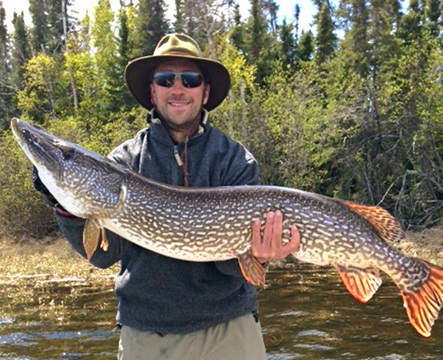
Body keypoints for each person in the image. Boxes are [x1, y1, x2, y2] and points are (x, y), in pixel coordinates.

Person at [33, 33, 300, 360]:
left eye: (190, 79)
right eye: (165, 79)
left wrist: (258, 255)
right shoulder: (125, 162)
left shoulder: (234, 159)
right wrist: (65, 204)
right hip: (148, 334)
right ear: (152, 91)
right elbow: (103, 255)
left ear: (205, 92)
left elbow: (233, 267)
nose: (178, 89)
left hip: (229, 329)